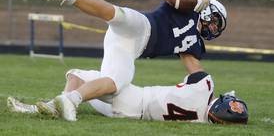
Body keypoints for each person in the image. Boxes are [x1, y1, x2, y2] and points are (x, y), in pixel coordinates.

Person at [43, 0, 227, 121]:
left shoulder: (195, 43)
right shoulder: (189, 6)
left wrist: (209, 100)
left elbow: (197, 74)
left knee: (115, 83)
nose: (214, 28)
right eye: (216, 22)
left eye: (217, 27)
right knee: (117, 14)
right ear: (209, 8)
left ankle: (67, 100)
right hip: (144, 26)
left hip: (130, 49)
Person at [7, 69, 248, 124]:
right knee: (84, 91)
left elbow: (194, 74)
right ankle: (51, 106)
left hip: (133, 97)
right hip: (129, 116)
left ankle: (58, 104)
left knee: (75, 76)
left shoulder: (205, 86)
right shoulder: (202, 121)